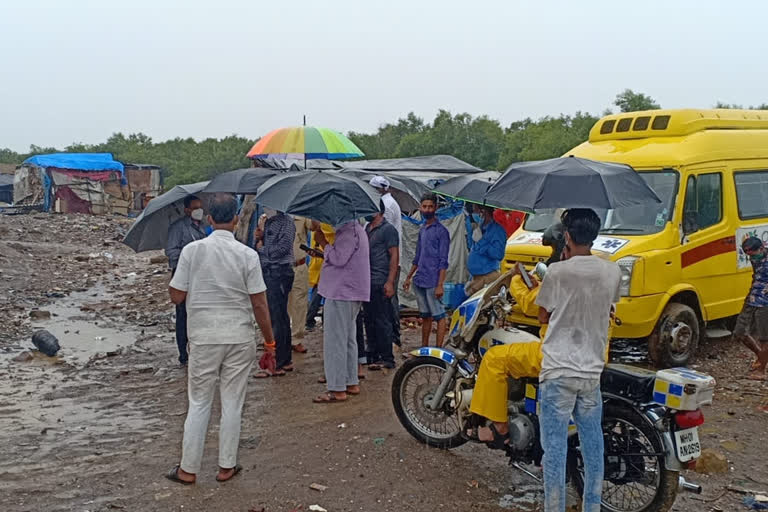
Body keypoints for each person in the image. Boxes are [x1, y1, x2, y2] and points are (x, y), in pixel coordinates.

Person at [165, 193, 276, 485]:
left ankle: (188, 469)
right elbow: (260, 304)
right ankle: (226, 466)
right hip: (239, 337)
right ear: (237, 218)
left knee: (199, 402)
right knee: (232, 402)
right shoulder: (248, 255)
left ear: (210, 219)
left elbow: (176, 295)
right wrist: (270, 343)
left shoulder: (192, 251)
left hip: (203, 337)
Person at [535, 208, 620, 512]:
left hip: (558, 370)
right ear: (594, 236)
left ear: (567, 236)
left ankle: (554, 507)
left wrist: (561, 265)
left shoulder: (558, 272)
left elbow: (543, 314)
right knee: (593, 444)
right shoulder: (613, 271)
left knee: (555, 449)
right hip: (591, 371)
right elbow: (608, 307)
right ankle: (592, 507)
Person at [313, 219, 370, 403]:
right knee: (348, 339)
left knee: (336, 341)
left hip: (341, 291)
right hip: (349, 292)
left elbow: (338, 259)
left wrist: (322, 242)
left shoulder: (348, 233)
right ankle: (350, 381)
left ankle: (337, 388)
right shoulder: (356, 230)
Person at [403, 193, 450, 347]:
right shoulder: (423, 229)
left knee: (439, 316)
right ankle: (424, 347)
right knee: (425, 316)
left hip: (433, 280)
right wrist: (409, 276)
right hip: (420, 279)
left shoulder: (442, 231)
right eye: (425, 207)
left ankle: (438, 350)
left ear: (435, 208)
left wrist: (440, 284)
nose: (427, 209)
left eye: (430, 206)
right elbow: (418, 256)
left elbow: (444, 261)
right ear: (420, 208)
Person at [253, 207, 296, 376]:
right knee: (278, 316)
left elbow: (281, 250)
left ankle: (278, 361)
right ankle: (284, 359)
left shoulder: (286, 222)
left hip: (280, 272)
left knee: (278, 318)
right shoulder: (268, 222)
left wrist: (261, 248)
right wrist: (259, 236)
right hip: (270, 272)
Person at [165, 195, 207, 366]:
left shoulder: (204, 227)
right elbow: (171, 252)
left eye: (200, 207)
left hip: (202, 274)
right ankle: (183, 353)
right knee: (182, 314)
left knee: (200, 312)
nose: (199, 211)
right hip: (183, 274)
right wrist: (189, 255)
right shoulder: (178, 228)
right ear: (187, 210)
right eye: (195, 208)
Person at [363, 203, 400, 370]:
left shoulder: (388, 230)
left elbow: (394, 256)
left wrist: (390, 281)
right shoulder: (367, 228)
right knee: (369, 320)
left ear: (379, 211)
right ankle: (373, 354)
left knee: (382, 320)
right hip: (366, 281)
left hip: (380, 280)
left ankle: (387, 357)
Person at [369, 176, 403, 351]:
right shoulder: (388, 202)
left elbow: (387, 239)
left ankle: (392, 339)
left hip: (387, 263)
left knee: (387, 304)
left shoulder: (386, 206)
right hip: (386, 262)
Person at [734, 236, 768, 380]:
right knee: (740, 332)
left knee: (764, 338)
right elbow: (756, 276)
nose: (752, 258)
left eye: (753, 254)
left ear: (761, 248)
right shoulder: (754, 257)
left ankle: (761, 370)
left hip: (765, 301)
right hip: (753, 296)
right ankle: (761, 357)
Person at [465, 205, 508, 296]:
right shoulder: (480, 228)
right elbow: (473, 249)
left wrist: (481, 241)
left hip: (487, 276)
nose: (473, 213)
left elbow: (498, 254)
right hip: (475, 277)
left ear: (482, 212)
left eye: (475, 210)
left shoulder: (498, 231)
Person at [287, 216, 312, 354]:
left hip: (299, 266)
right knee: (281, 304)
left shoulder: (302, 216)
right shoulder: (269, 217)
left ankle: (296, 339)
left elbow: (315, 226)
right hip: (280, 267)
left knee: (299, 304)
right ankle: (279, 337)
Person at [306, 223, 335, 331]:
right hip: (318, 267)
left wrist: (321, 251)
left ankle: (323, 322)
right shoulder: (315, 232)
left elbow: (332, 252)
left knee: (325, 299)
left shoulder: (329, 229)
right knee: (317, 297)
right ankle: (311, 320)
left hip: (328, 267)